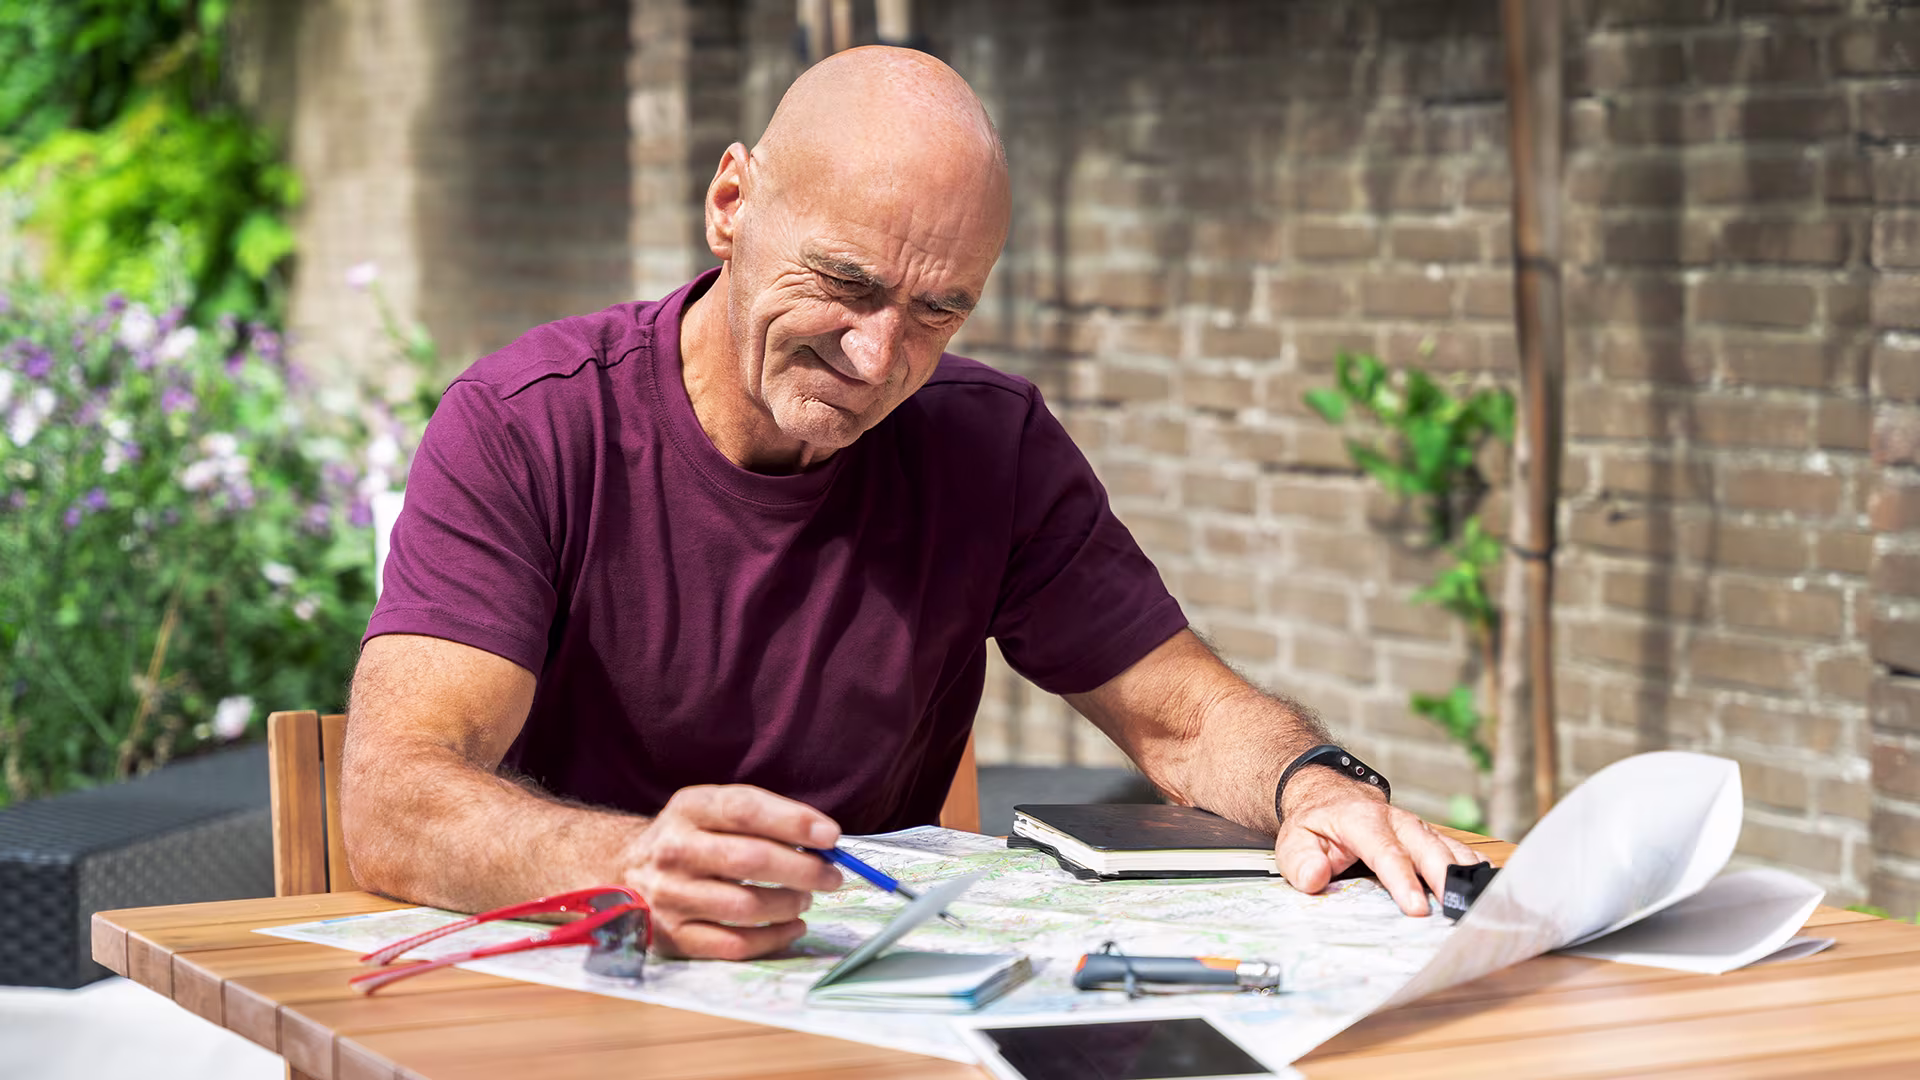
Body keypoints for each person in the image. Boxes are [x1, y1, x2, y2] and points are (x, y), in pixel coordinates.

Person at [340, 45, 1480, 960]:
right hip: (562, 990)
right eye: (846, 283)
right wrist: (638, 864)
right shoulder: (529, 425)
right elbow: (393, 800)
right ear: (731, 203)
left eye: (939, 310)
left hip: (857, 1001)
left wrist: (1311, 784)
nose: (879, 356)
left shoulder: (989, 446)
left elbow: (1182, 715)